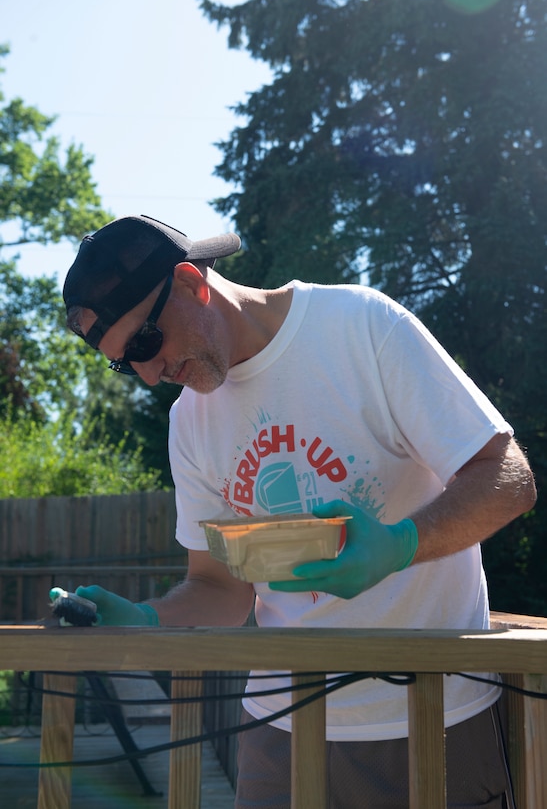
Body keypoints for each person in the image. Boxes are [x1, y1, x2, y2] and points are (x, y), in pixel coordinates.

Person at [61, 214, 536, 809]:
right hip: (278, 734)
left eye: (144, 344)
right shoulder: (189, 422)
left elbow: (507, 478)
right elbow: (220, 589)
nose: (150, 374)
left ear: (189, 283)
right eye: (124, 364)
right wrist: (148, 622)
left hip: (434, 717)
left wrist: (401, 545)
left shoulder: (362, 327)